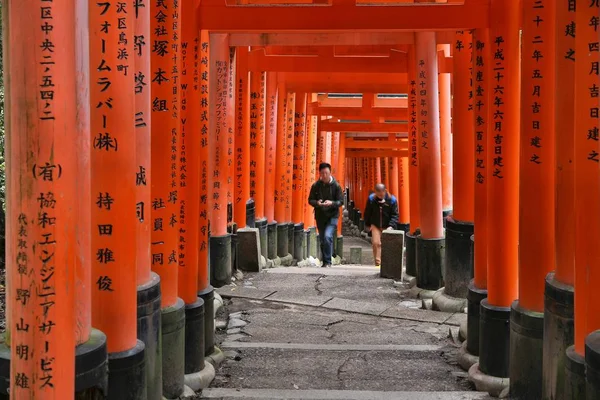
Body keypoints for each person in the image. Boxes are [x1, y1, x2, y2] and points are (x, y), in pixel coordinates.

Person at [308, 162, 344, 268]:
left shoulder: (336, 186)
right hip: (320, 215)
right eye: (322, 173)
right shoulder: (316, 185)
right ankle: (325, 261)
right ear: (319, 173)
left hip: (332, 215)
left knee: (328, 236)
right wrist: (317, 203)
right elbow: (310, 200)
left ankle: (328, 261)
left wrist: (332, 203)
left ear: (330, 173)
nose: (324, 176)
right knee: (323, 239)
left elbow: (341, 202)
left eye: (326, 173)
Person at [364, 183, 399, 267]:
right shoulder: (371, 199)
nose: (380, 196)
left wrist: (391, 225)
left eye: (382, 193)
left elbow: (395, 214)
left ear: (385, 191)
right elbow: (367, 212)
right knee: (376, 243)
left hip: (387, 225)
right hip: (375, 224)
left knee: (387, 244)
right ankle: (378, 263)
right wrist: (368, 224)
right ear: (375, 192)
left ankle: (387, 264)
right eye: (378, 193)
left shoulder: (392, 200)